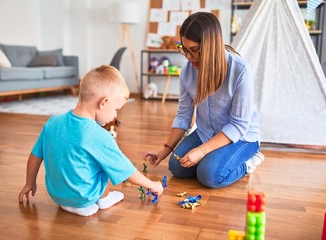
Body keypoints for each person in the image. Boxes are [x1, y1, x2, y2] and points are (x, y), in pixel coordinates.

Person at [18, 65, 164, 216]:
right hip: (85, 196)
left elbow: (35, 156)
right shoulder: (99, 135)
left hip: (57, 195)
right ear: (103, 103)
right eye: (116, 110)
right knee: (106, 161)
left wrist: (30, 183)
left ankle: (73, 204)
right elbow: (126, 170)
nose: (114, 116)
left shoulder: (52, 122)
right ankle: (104, 198)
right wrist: (152, 185)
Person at [143, 12, 264, 189]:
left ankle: (249, 162)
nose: (189, 56)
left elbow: (238, 126)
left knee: (209, 175)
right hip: (206, 132)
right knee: (176, 166)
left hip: (242, 137)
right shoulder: (187, 70)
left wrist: (201, 151)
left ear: (211, 47)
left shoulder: (239, 70)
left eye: (194, 50)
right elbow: (184, 114)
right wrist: (165, 150)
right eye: (184, 49)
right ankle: (213, 159)